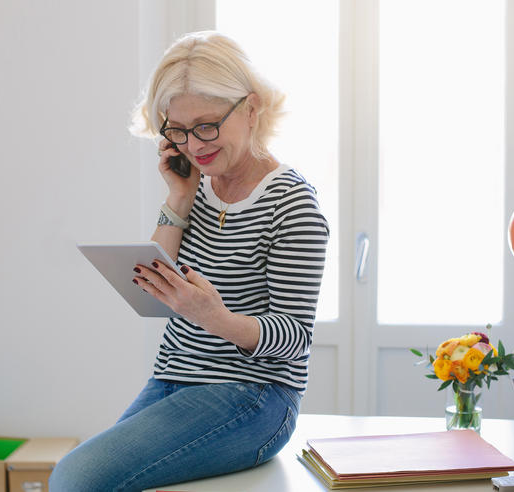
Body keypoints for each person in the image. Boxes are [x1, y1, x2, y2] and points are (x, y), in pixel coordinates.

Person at [49, 31, 329, 492]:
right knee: (80, 479)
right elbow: (157, 283)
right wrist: (178, 196)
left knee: (74, 480)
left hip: (254, 396)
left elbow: (296, 338)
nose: (193, 145)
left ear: (251, 108)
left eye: (206, 125)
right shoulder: (196, 185)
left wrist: (217, 319)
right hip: (172, 378)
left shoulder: (291, 203)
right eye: (176, 130)